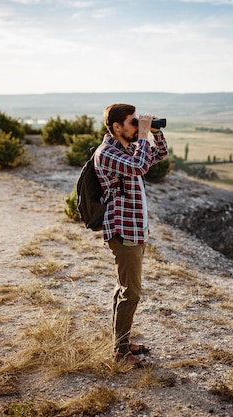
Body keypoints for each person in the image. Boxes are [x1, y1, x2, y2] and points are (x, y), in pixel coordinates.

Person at [94, 103, 168, 368]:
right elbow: (139, 166)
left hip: (134, 230)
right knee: (131, 293)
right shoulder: (107, 153)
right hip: (123, 232)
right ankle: (120, 354)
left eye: (138, 121)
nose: (137, 125)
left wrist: (155, 132)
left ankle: (122, 344)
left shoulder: (126, 148)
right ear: (116, 127)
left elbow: (158, 155)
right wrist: (144, 134)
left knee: (124, 289)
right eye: (132, 121)